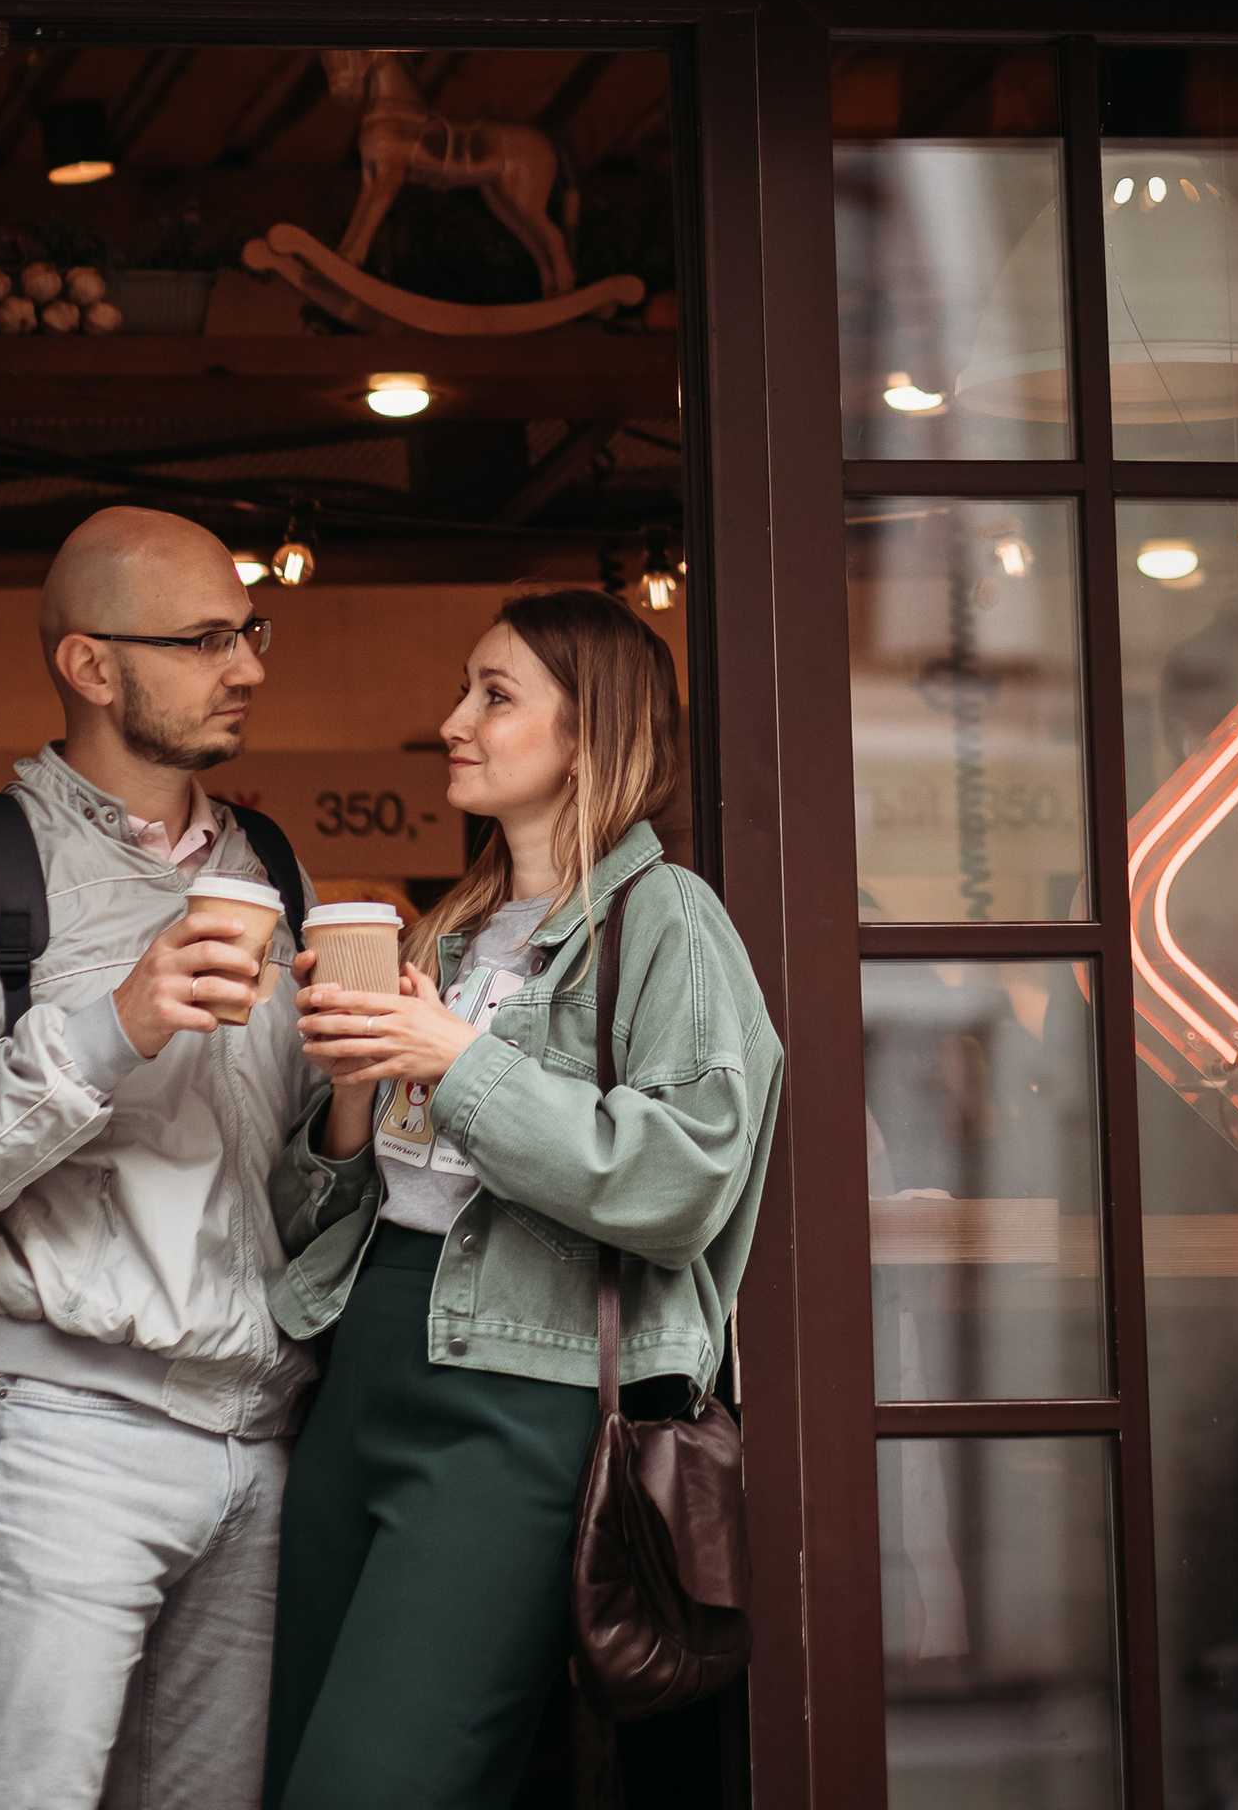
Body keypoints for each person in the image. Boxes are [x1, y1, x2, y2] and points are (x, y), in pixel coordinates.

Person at [261, 589, 783, 1810]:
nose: (455, 720)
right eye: (464, 687)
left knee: (375, 1785)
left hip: (522, 1397)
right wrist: (352, 1091)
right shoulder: (448, 936)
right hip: (365, 1371)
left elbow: (684, 1177)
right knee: (293, 1767)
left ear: (590, 734)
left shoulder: (670, 923)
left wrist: (454, 1062)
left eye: (495, 695)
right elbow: (332, 1218)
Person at [0, 504, 317, 1810]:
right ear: (91, 666)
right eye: (207, 637)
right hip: (60, 1434)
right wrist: (115, 1024)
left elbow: (288, 1172)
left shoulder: (272, 864)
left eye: (250, 629)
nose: (250, 666)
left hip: (259, 1440)